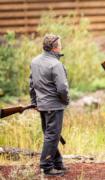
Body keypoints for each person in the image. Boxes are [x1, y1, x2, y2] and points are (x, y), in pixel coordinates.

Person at [29, 34, 69, 176]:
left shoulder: (34, 61)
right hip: (54, 105)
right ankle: (46, 166)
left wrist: (34, 102)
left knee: (51, 134)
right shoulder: (56, 64)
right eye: (60, 44)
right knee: (52, 135)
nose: (61, 46)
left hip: (42, 105)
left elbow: (32, 84)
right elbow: (62, 88)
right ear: (55, 47)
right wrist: (66, 100)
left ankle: (57, 163)